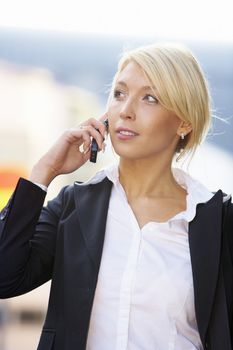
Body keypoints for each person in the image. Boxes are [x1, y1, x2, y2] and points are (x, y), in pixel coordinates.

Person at [0, 43, 233, 350]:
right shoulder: (75, 206)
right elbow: (5, 277)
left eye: (149, 98)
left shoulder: (217, 221)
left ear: (184, 122)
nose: (126, 111)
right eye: (120, 94)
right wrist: (45, 171)